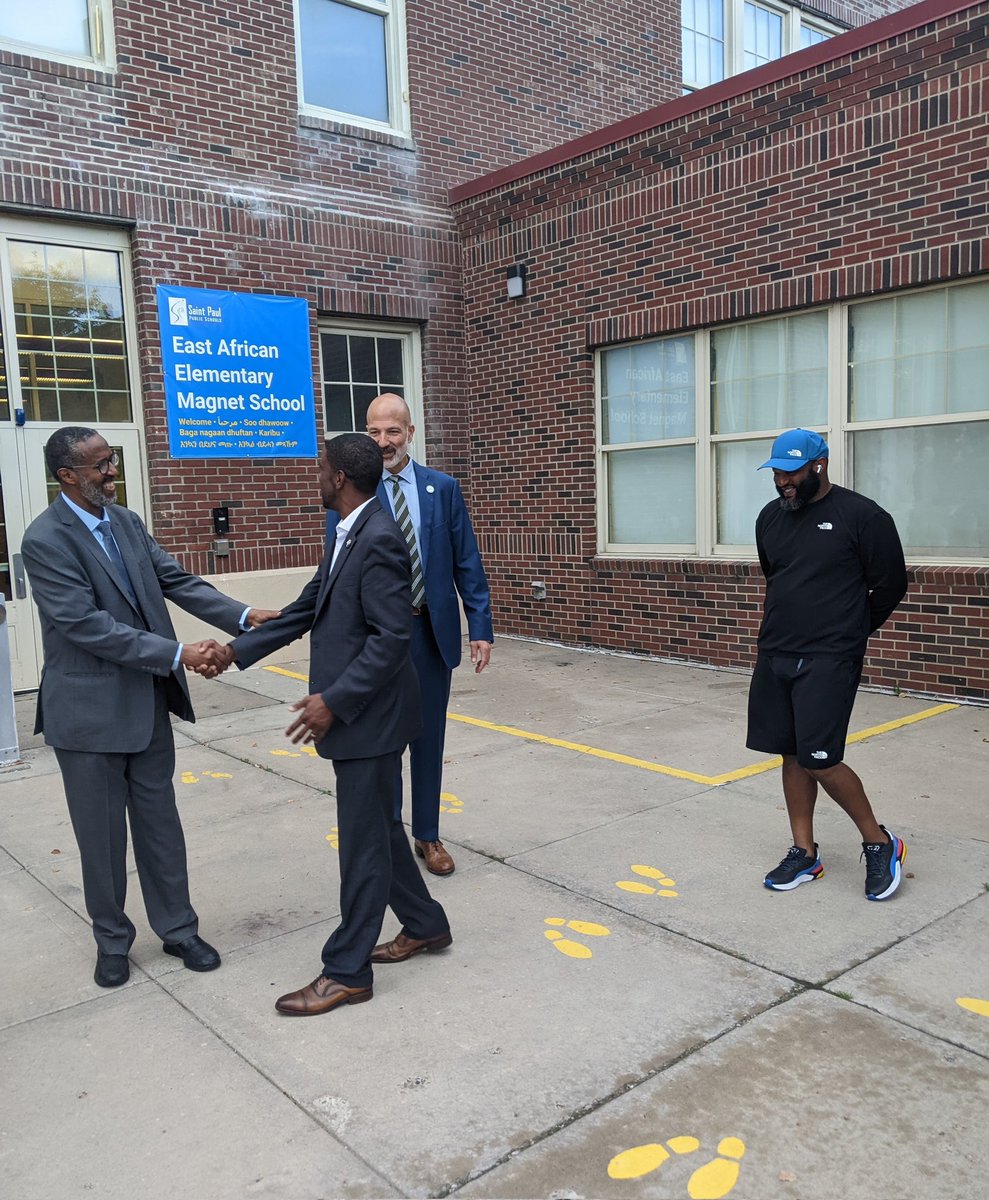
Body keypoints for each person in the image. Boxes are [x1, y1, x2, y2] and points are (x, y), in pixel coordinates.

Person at [21, 426, 280, 987]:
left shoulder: (127, 523)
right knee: (102, 839)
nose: (111, 471)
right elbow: (87, 626)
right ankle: (112, 942)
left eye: (111, 460)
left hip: (145, 705)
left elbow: (175, 579)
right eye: (99, 465)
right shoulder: (45, 540)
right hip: (87, 718)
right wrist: (179, 652)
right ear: (67, 476)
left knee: (161, 827)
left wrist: (241, 615)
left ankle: (179, 930)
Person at [224, 433, 452, 1016]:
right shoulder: (348, 529)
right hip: (362, 716)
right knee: (379, 828)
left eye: (320, 467)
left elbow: (391, 638)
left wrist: (333, 700)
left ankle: (346, 971)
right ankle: (425, 924)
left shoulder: (378, 538)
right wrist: (234, 652)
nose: (315, 475)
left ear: (342, 478)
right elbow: (308, 607)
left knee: (362, 846)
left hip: (368, 719)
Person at [325, 392, 493, 876]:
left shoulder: (443, 488)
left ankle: (427, 836)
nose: (383, 441)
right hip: (375, 643)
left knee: (427, 739)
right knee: (383, 742)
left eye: (392, 431)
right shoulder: (348, 493)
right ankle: (389, 835)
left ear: (410, 434)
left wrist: (478, 625)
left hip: (429, 634)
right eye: (374, 431)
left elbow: (467, 561)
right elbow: (333, 572)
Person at [746, 428, 909, 901]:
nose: (782, 482)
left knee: (821, 757)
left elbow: (891, 584)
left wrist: (849, 632)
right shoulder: (769, 519)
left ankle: (880, 843)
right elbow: (776, 577)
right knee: (792, 753)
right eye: (777, 472)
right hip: (776, 651)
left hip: (829, 657)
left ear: (819, 465)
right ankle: (805, 852)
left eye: (792, 472)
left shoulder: (863, 517)